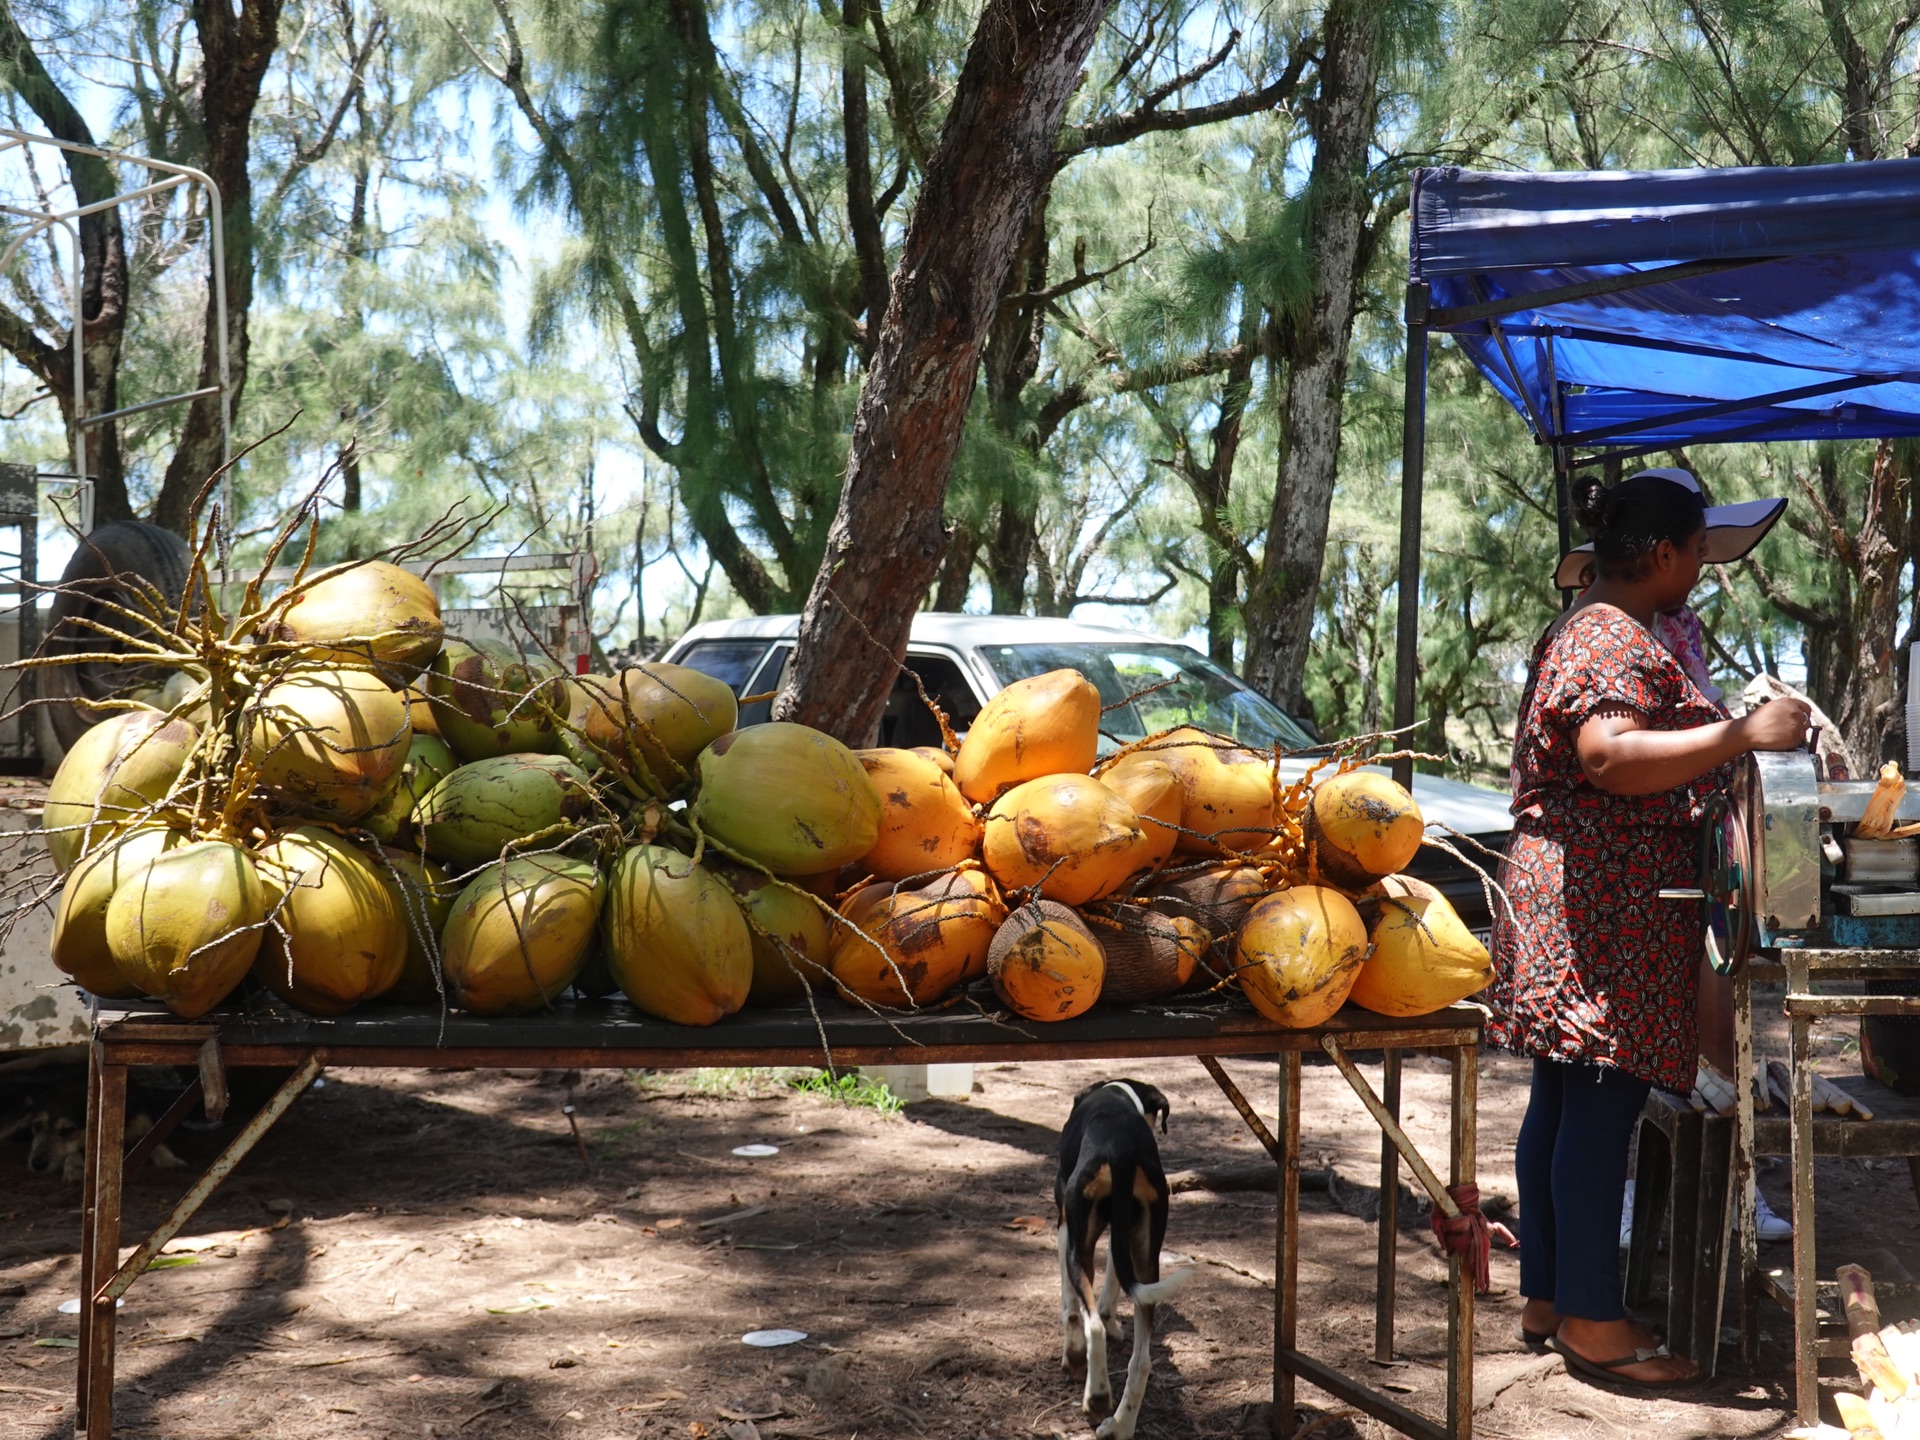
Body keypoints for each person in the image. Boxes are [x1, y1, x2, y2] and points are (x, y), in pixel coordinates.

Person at [1493, 469, 1810, 1387]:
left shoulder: (1589, 625)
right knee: (1600, 1103)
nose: (1700, 573)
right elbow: (1607, 753)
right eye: (1697, 553)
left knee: (1564, 1099)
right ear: (1663, 553)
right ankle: (1593, 1320)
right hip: (1603, 908)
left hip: (1586, 897)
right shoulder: (1606, 635)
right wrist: (1743, 735)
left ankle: (1552, 1294)